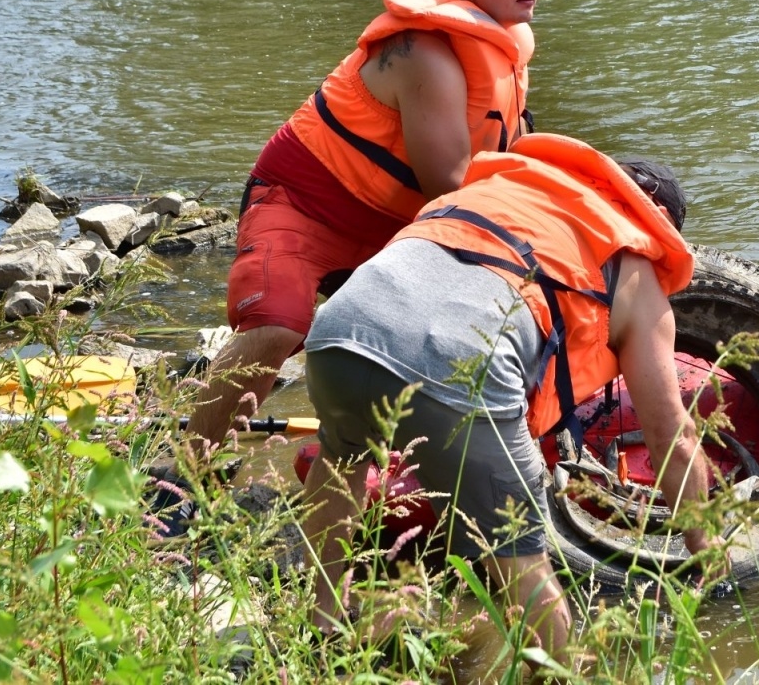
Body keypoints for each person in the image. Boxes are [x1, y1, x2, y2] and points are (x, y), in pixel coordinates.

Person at [300, 132, 715, 658]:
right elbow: (670, 434)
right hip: (456, 366)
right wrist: (710, 549)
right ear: (656, 222)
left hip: (339, 328)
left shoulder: (500, 187)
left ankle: (318, 627)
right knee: (522, 562)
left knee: (343, 457)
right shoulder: (631, 263)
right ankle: (560, 672)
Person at [185, 0, 561, 453]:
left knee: (430, 350)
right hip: (305, 203)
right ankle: (180, 476)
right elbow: (448, 182)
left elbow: (515, 145)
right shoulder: (425, 55)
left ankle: (384, 478)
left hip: (392, 228)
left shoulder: (504, 50)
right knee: (280, 323)